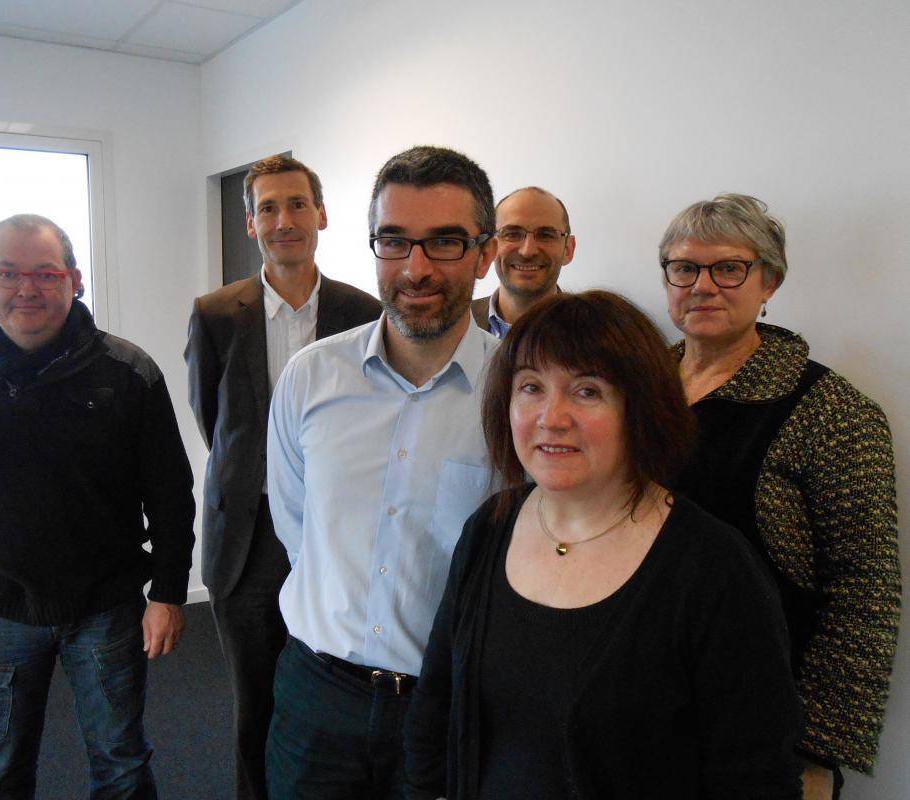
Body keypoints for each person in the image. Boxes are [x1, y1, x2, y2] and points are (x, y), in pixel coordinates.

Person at [404, 290, 804, 799]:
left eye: (587, 391)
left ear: (642, 408)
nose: (552, 417)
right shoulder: (490, 527)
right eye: (531, 387)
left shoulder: (714, 569)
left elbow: (757, 777)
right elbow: (436, 702)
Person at [0, 214, 196, 799]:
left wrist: (168, 593)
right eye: (9, 272)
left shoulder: (128, 372)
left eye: (46, 274)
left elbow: (169, 494)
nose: (26, 288)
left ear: (74, 281)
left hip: (106, 610)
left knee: (122, 766)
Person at [264, 145, 500, 799]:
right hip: (316, 694)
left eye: (444, 242)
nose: (415, 269)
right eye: (394, 242)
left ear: (484, 255)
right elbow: (296, 525)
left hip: (448, 704)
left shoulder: (518, 393)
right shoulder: (311, 376)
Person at [659, 193, 901, 799]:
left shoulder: (833, 413)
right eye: (684, 268)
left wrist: (816, 754)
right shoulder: (631, 390)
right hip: (629, 707)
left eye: (729, 268)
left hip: (759, 731)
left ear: (769, 282)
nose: (703, 286)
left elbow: (865, 589)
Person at [184, 155, 381, 800]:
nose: (284, 220)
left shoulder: (364, 311)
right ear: (251, 223)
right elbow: (215, 422)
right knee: (255, 700)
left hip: (335, 533)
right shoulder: (216, 313)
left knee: (331, 693)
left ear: (321, 215)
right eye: (268, 208)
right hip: (248, 538)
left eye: (297, 204)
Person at [470, 186, 575, 337]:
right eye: (512, 234)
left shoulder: (598, 332)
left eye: (545, 235)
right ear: (489, 248)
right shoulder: (453, 325)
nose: (527, 251)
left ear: (568, 249)